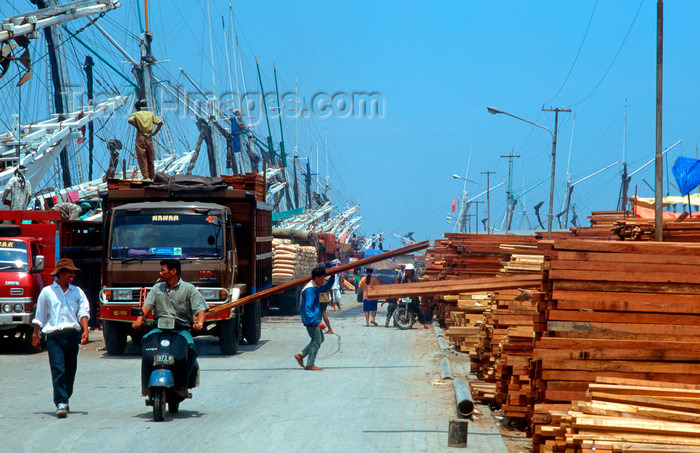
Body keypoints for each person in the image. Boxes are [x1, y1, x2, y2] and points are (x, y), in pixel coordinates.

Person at [132, 259, 208, 383]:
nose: (160, 273)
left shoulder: (189, 289)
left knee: (191, 347)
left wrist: (199, 324)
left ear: (173, 271)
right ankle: (146, 383)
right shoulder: (157, 288)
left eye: (163, 270)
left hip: (181, 329)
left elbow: (200, 309)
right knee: (145, 341)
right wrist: (139, 320)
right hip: (159, 328)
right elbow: (146, 306)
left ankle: (186, 380)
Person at [31, 258, 90, 418]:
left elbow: (83, 312)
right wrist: (35, 334)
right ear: (60, 273)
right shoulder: (47, 292)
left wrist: (85, 331)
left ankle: (65, 396)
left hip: (72, 336)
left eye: (73, 272)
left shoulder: (77, 292)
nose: (72, 275)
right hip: (54, 337)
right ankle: (61, 402)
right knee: (58, 369)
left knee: (70, 372)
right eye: (69, 272)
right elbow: (40, 316)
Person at [294, 266, 335, 371]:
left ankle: (301, 355)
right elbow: (308, 308)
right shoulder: (310, 290)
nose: (323, 281)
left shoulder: (315, 286)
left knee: (320, 339)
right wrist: (317, 322)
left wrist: (333, 275)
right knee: (317, 340)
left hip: (313, 319)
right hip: (311, 320)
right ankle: (309, 364)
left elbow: (326, 288)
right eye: (322, 279)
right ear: (316, 278)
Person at [128, 99, 163, 180]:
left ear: (137, 108)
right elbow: (160, 123)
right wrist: (154, 133)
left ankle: (146, 177)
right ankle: (152, 176)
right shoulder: (150, 114)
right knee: (150, 158)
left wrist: (137, 127)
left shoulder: (136, 114)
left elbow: (130, 120)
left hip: (141, 137)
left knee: (142, 158)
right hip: (149, 138)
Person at [402, 264, 430, 329]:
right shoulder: (404, 279)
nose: (406, 272)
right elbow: (402, 286)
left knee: (419, 310)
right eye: (405, 270)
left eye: (407, 271)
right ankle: (408, 322)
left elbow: (417, 288)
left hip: (414, 297)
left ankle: (424, 324)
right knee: (405, 307)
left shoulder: (415, 279)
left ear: (411, 271)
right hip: (407, 296)